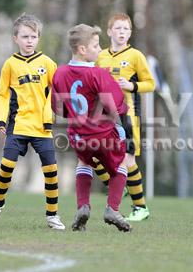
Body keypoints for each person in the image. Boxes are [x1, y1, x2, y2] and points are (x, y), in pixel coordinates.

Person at [0, 13, 65, 230]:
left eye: (34, 36)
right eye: (25, 36)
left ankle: (52, 215)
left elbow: (57, 92)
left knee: (51, 170)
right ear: (15, 38)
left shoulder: (48, 63)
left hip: (41, 127)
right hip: (18, 125)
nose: (30, 40)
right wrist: (0, 120)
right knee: (6, 167)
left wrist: (52, 116)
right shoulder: (10, 65)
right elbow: (1, 94)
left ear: (39, 38)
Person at [51, 24, 131, 232]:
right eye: (95, 45)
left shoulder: (59, 73)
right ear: (82, 50)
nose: (99, 49)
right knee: (120, 165)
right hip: (103, 133)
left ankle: (83, 206)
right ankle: (112, 209)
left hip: (78, 135)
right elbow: (115, 107)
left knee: (84, 161)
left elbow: (57, 107)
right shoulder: (98, 74)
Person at [94, 13, 155, 221]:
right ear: (110, 31)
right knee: (92, 153)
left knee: (128, 160)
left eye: (126, 29)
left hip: (127, 115)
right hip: (103, 115)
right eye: (118, 28)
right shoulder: (101, 56)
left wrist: (131, 85)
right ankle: (119, 184)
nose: (122, 33)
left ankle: (140, 208)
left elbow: (150, 83)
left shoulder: (136, 56)